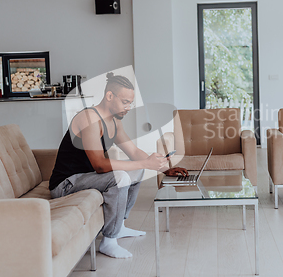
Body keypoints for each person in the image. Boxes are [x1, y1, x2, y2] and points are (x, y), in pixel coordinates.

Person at [49, 72, 187, 259]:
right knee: (120, 176)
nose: (128, 107)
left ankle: (119, 226)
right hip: (65, 184)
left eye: (130, 102)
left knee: (137, 169)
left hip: (85, 178)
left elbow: (134, 152)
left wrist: (164, 168)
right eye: (125, 102)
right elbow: (99, 165)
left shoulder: (114, 121)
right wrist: (145, 162)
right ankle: (109, 240)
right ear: (109, 96)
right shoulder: (90, 119)